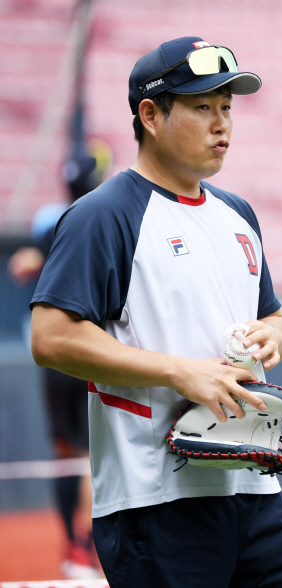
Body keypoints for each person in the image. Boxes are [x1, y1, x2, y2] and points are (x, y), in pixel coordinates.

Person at [30, 36, 282, 588]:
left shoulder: (239, 214)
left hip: (253, 487)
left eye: (227, 107)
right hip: (154, 500)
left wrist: (275, 336)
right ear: (151, 115)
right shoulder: (103, 215)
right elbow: (50, 337)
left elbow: (273, 316)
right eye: (203, 107)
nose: (222, 123)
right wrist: (181, 371)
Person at [9, 145, 110, 580]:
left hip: (52, 356)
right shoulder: (101, 219)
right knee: (92, 457)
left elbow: (22, 264)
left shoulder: (50, 224)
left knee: (65, 454)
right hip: (88, 352)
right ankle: (86, 552)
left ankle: (72, 547)